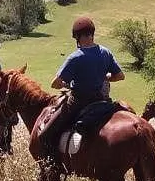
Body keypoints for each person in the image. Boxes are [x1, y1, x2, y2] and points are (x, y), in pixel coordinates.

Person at [40, 16, 125, 166]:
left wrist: (67, 84)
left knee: (45, 135)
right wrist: (105, 77)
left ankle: (54, 168)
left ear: (77, 37)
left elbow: (55, 84)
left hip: (78, 101)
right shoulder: (105, 52)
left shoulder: (75, 57)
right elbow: (120, 76)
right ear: (92, 33)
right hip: (101, 100)